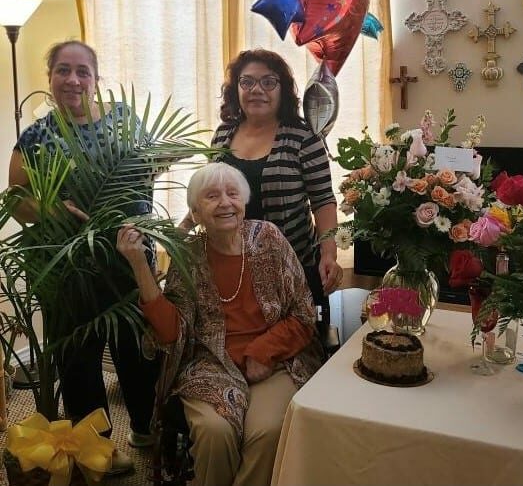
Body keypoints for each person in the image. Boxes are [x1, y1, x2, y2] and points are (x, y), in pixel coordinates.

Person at [117, 162, 324, 486]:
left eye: (232, 194)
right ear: (196, 213)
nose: (225, 202)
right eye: (212, 196)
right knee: (215, 431)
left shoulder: (269, 239)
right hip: (208, 364)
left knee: (267, 431)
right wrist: (139, 264)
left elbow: (303, 314)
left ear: (243, 201)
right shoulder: (187, 255)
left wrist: (263, 350)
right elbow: (173, 333)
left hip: (277, 360)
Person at [8, 40, 159, 474]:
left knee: (135, 348)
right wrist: (51, 207)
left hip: (127, 258)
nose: (73, 80)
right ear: (50, 77)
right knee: (79, 360)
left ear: (95, 79)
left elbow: (149, 169)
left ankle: (147, 428)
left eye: (82, 71)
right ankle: (99, 449)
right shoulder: (35, 136)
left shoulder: (124, 120)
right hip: (68, 266)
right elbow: (17, 199)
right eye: (63, 71)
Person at [181, 48, 343, 324]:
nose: (257, 90)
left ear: (282, 91)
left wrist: (329, 253)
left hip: (291, 266)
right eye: (247, 82)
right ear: (236, 90)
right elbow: (208, 193)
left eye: (268, 82)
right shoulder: (223, 134)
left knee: (289, 344)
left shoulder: (304, 136)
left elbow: (323, 200)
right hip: (233, 267)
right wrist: (181, 232)